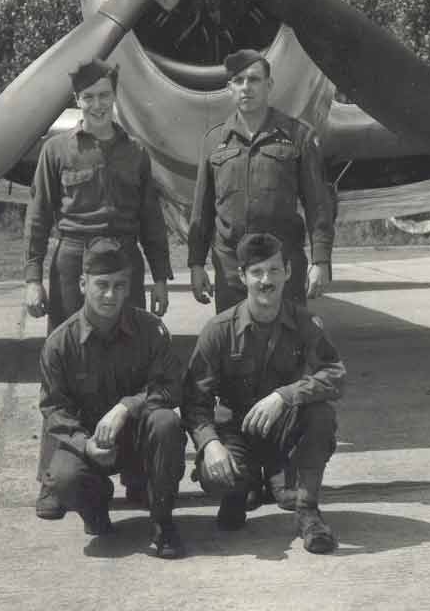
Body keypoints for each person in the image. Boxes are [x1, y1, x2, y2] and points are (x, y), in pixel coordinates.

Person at [182, 232, 345, 554]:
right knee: (222, 489)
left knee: (321, 414)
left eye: (273, 270)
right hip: (236, 435)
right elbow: (193, 401)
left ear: (288, 271)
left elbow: (335, 374)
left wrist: (285, 395)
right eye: (256, 272)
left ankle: (308, 512)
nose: (265, 280)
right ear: (242, 277)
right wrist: (210, 445)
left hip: (281, 432)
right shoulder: (219, 330)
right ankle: (242, 490)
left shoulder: (305, 323)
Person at [38, 237, 186, 559]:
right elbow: (54, 410)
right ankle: (96, 511)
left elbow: (172, 387)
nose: (110, 294)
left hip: (138, 439)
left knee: (167, 422)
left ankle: (163, 522)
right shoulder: (60, 344)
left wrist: (127, 406)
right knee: (63, 478)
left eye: (119, 286)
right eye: (101, 284)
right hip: (92, 444)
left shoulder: (150, 330)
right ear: (82, 284)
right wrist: (84, 443)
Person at [23, 57, 173, 326]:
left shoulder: (137, 152)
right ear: (76, 100)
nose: (97, 105)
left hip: (124, 258)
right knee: (70, 347)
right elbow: (38, 217)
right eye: (88, 97)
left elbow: (152, 221)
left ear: (115, 96)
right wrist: (33, 280)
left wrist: (160, 279)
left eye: (104, 95)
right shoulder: (55, 150)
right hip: (73, 261)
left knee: (128, 349)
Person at [187, 48, 335, 314]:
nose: (246, 87)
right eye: (239, 80)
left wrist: (321, 260)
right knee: (234, 347)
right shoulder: (214, 141)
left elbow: (318, 205)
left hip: (282, 265)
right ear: (229, 88)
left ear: (269, 85)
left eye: (254, 80)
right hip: (231, 267)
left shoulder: (298, 135)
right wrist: (196, 264)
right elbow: (203, 210)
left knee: (286, 347)